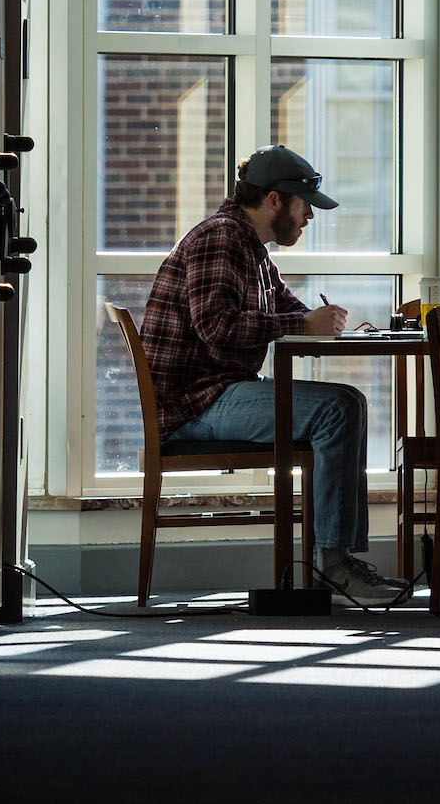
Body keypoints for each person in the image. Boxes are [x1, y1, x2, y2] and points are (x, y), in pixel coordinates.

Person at [138, 144, 410, 605]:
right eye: (305, 205)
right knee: (340, 407)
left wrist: (324, 323)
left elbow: (288, 309)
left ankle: (334, 562)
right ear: (274, 200)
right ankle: (335, 568)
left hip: (218, 391)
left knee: (346, 403)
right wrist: (304, 326)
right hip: (194, 403)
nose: (309, 217)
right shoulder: (219, 239)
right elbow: (217, 329)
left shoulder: (252, 249)